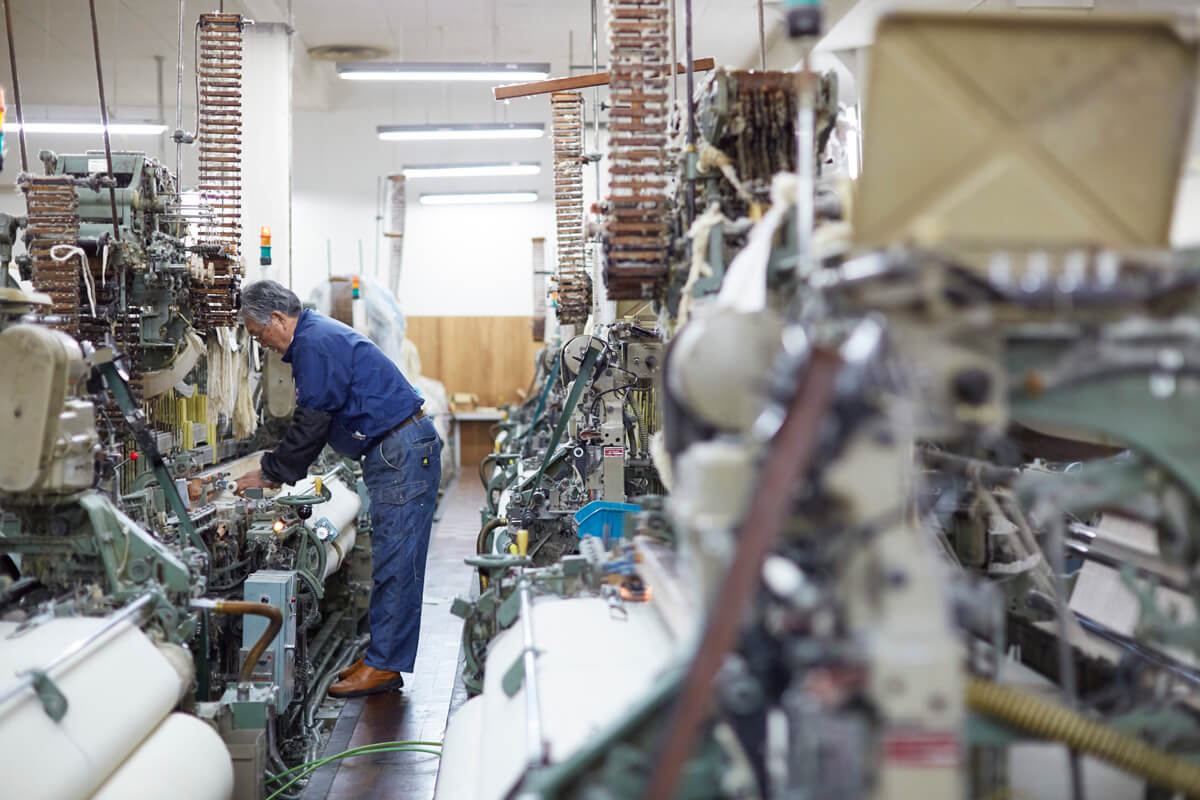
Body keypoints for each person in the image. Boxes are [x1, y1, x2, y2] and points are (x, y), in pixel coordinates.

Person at [235, 280, 442, 698]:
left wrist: (272, 471)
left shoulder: (314, 344)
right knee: (391, 557)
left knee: (397, 562)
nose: (264, 344)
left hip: (399, 451)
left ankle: (385, 665)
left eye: (259, 334)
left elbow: (313, 420)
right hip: (396, 449)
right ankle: (381, 656)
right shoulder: (317, 336)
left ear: (278, 318)